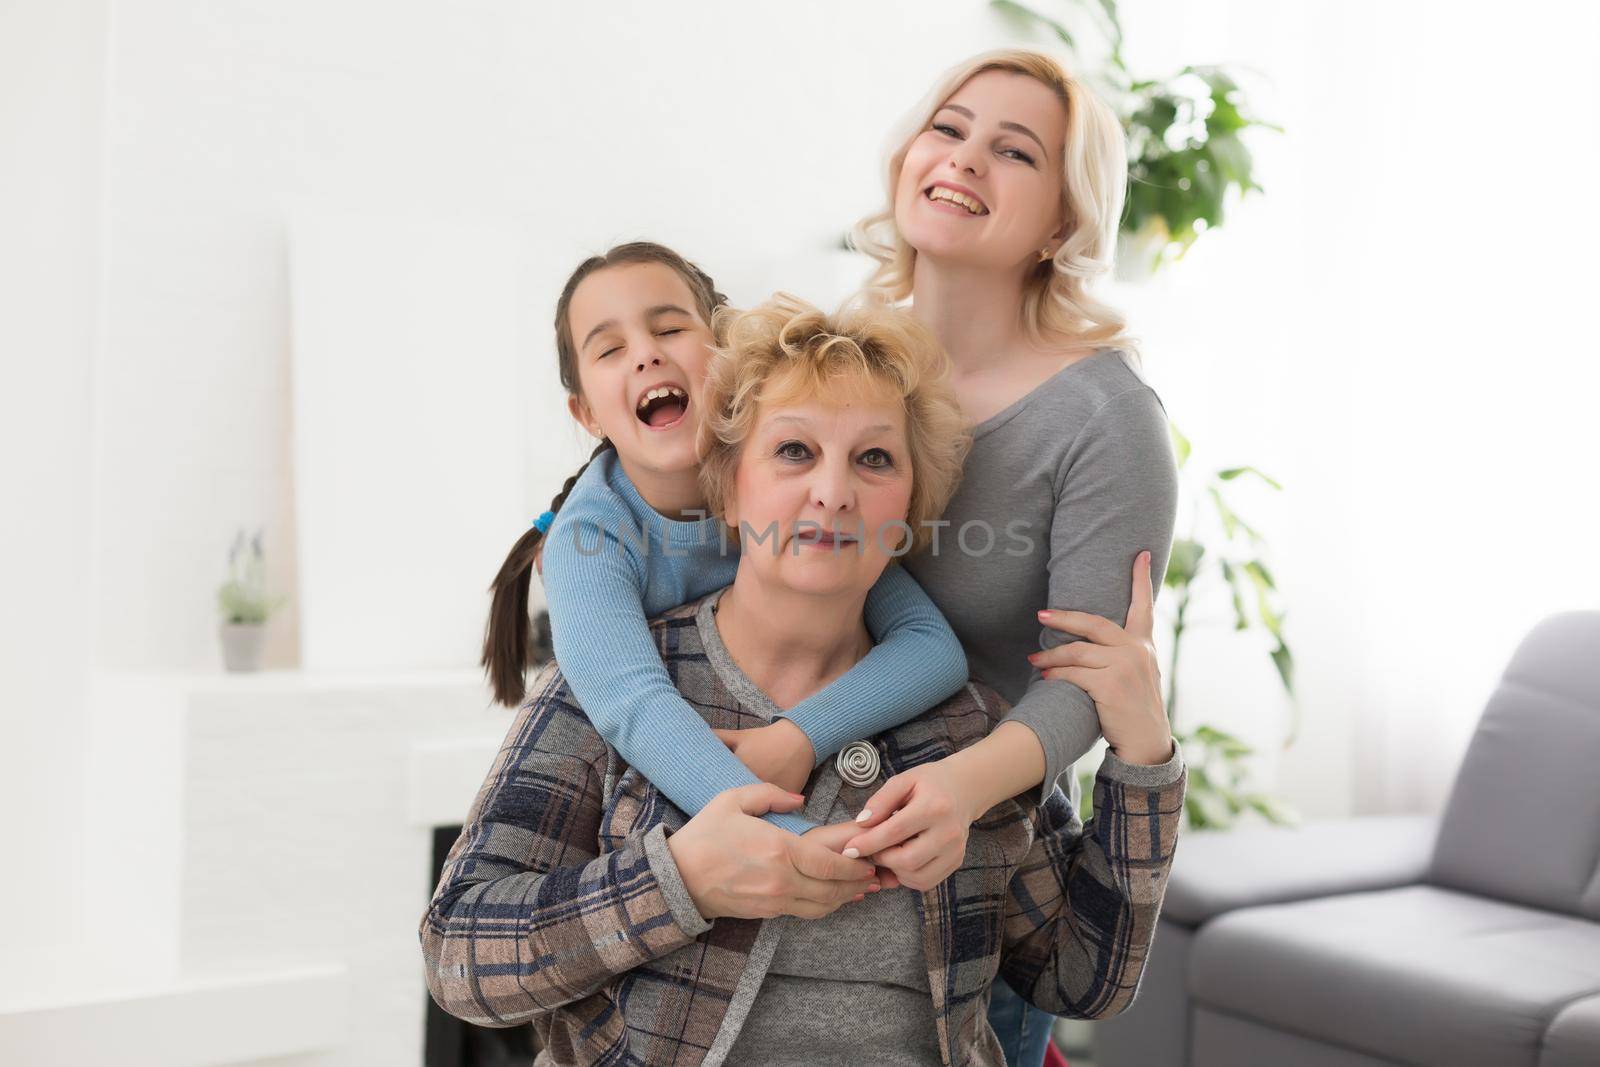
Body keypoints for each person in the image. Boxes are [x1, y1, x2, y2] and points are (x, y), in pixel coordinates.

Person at [420, 294, 1185, 1066]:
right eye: (793, 451)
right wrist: (679, 880)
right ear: (728, 483)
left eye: (874, 458)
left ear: (911, 507)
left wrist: (1145, 756)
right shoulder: (616, 682)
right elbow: (458, 955)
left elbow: (1085, 979)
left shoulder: (966, 732)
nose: (832, 491)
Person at [838, 49, 1183, 1066]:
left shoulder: (1104, 419)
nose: (964, 159)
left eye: (1014, 151)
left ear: (1064, 222)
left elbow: (1091, 684)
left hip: (977, 885)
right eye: (949, 128)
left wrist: (953, 786)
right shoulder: (843, 361)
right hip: (815, 849)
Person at [478, 241, 969, 839]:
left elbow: (930, 644)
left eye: (669, 328)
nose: (646, 356)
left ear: (724, 352)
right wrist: (790, 837)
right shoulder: (591, 540)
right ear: (587, 415)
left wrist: (801, 735)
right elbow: (633, 704)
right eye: (610, 349)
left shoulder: (791, 497)